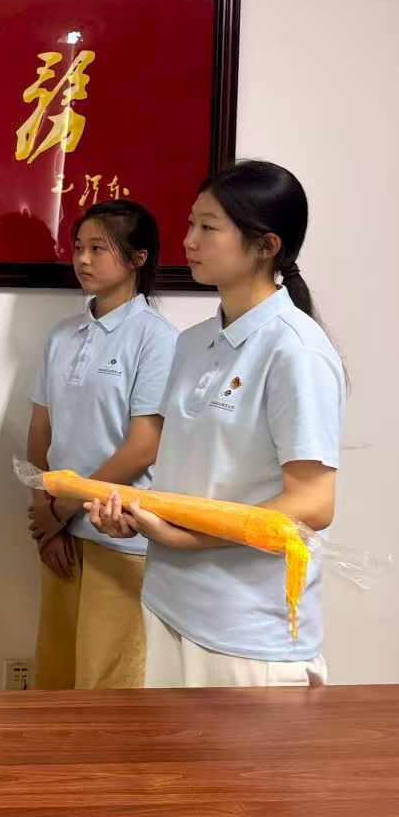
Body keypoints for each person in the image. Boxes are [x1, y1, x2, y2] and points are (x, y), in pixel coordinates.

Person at [90, 160, 342, 687]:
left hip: (248, 628)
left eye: (209, 227)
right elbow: (191, 475)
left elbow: (313, 504)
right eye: (190, 224)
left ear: (266, 245)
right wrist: (135, 514)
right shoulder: (191, 342)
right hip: (169, 604)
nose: (189, 240)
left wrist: (189, 539)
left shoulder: (295, 351)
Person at [27, 200, 177, 689]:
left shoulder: (156, 338)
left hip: (119, 530)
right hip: (60, 529)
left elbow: (143, 447)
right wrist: (45, 514)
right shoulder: (62, 334)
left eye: (98, 248)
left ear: (138, 258)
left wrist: (64, 507)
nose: (83, 260)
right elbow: (41, 429)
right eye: (78, 248)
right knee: (55, 674)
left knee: (107, 684)